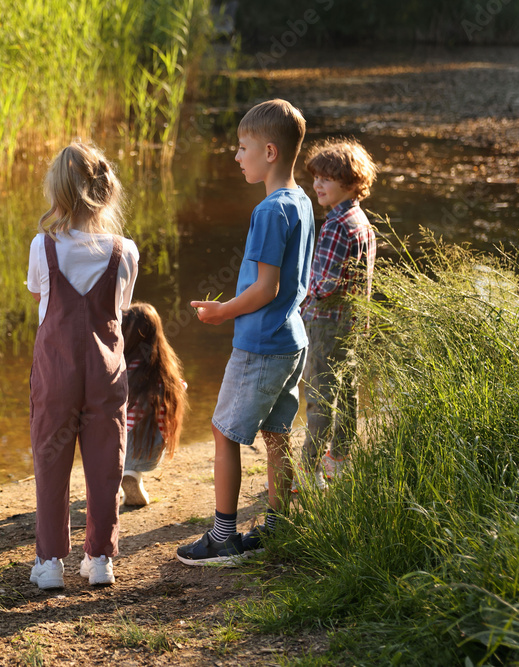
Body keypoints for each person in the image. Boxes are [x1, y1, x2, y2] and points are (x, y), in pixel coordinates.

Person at [178, 99, 314, 565]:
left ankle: (222, 538)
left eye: (242, 147)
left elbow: (265, 288)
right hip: (292, 339)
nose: (237, 156)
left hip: (261, 343)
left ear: (269, 152)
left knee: (223, 432)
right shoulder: (302, 201)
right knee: (277, 434)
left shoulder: (269, 211)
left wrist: (223, 312)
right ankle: (278, 527)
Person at [26, 141, 139, 589]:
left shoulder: (42, 246)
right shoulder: (124, 251)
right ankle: (101, 558)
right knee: (106, 462)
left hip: (56, 372)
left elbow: (41, 298)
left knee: (50, 460)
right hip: (105, 371)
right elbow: (120, 307)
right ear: (105, 192)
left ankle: (50, 562)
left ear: (57, 194)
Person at [299, 138, 378, 483]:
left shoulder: (335, 224)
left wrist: (301, 295)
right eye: (316, 177)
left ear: (350, 182)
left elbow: (324, 285)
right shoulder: (362, 221)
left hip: (326, 323)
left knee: (320, 396)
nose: (317, 185)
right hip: (354, 322)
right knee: (346, 390)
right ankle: (340, 457)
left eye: (326, 179)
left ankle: (309, 469)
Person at [120, 303, 188, 506]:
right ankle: (132, 474)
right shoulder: (163, 369)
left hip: (117, 448)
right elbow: (181, 387)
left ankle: (120, 474)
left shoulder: (119, 369)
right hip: (150, 449)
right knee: (147, 421)